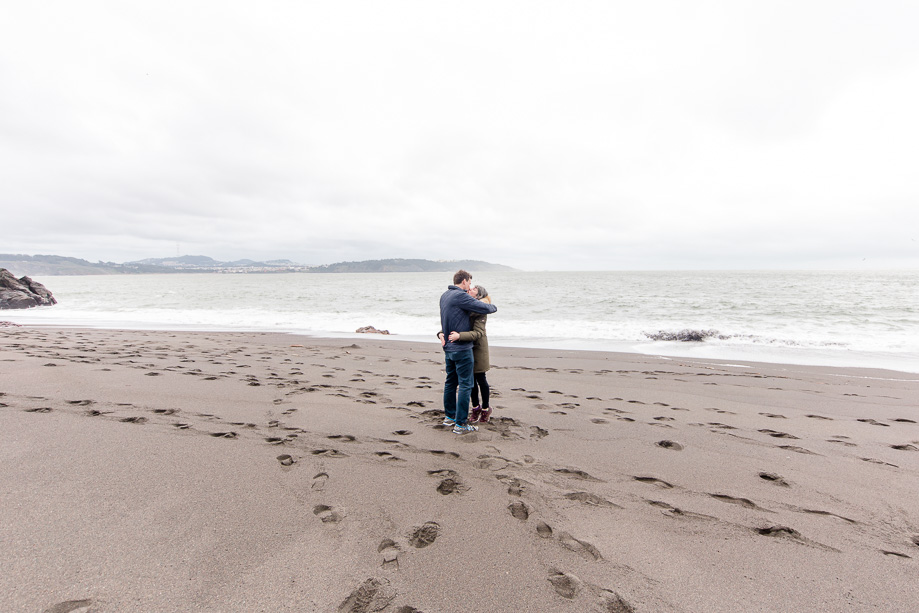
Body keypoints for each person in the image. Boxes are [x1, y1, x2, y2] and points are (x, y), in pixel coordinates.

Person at [439, 270, 497, 434]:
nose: (470, 286)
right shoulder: (461, 296)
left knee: (450, 382)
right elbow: (490, 308)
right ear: (464, 281)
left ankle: (450, 417)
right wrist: (489, 303)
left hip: (448, 348)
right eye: (470, 283)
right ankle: (460, 424)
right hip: (461, 349)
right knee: (465, 385)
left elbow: (448, 319)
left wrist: (441, 334)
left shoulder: (445, 296)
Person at [448, 285, 492, 423]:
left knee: (480, 378)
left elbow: (478, 333)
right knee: (470, 380)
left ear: (478, 295)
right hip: (465, 347)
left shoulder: (480, 311)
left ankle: (485, 409)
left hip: (478, 348)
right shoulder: (465, 306)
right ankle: (475, 408)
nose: (470, 289)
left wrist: (459, 336)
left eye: (474, 289)